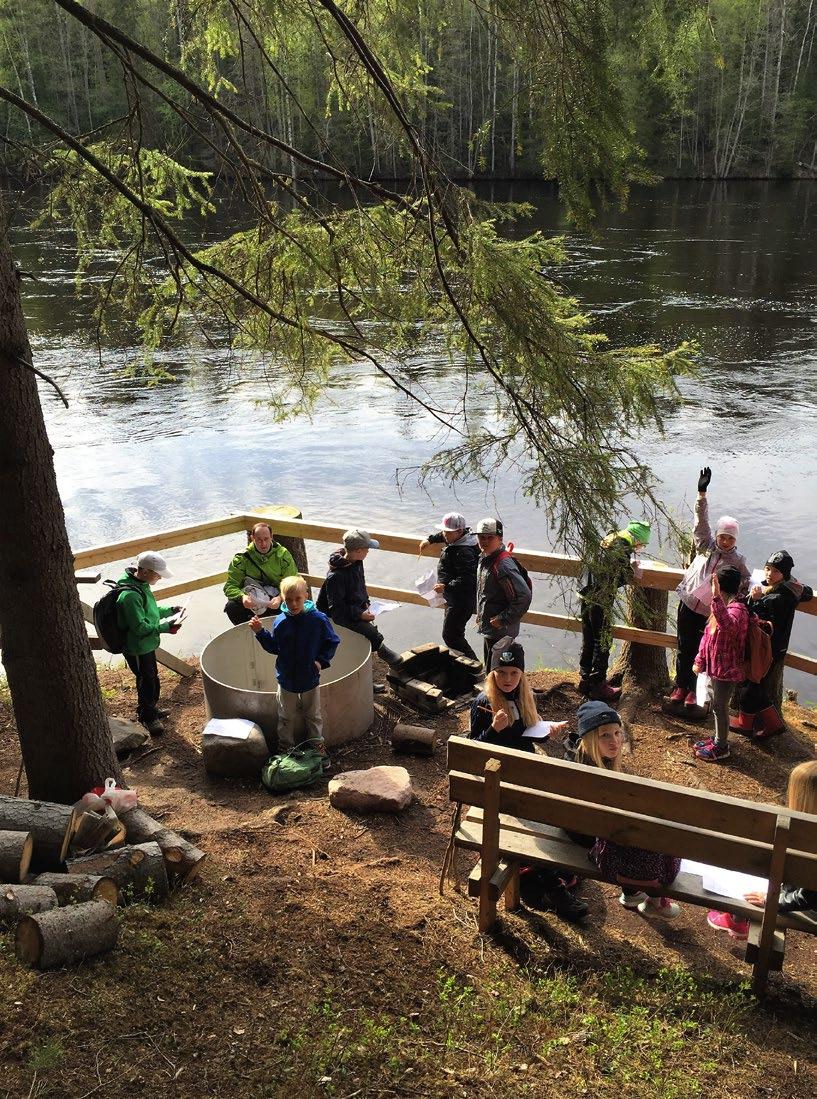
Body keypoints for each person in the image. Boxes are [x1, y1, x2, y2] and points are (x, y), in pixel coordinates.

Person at [469, 640, 585, 920]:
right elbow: (474, 751)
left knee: (549, 807)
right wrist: (494, 731)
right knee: (539, 816)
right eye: (502, 673)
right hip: (500, 781)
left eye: (514, 673)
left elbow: (525, 734)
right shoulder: (483, 704)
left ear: (522, 675)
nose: (508, 679)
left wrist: (546, 732)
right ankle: (553, 886)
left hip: (526, 773)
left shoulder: (525, 696)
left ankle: (551, 869)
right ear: (492, 674)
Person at [574, 700, 682, 918]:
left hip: (578, 828)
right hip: (590, 838)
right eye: (604, 735)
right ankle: (654, 899)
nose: (614, 741)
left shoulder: (578, 760)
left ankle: (634, 894)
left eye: (617, 733)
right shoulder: (594, 776)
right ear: (589, 738)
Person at [707, 760, 817, 940]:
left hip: (808, 909)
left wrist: (772, 900)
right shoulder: (805, 833)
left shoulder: (804, 836)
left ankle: (737, 920)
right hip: (796, 890)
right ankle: (738, 919)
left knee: (752, 886)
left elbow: (809, 898)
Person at [670, 467, 749, 708]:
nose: (725, 541)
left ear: (736, 540)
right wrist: (701, 493)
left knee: (700, 651)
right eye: (723, 536)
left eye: (730, 538)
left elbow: (744, 585)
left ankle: (695, 691)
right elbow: (700, 522)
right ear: (717, 535)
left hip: (710, 613)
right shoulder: (706, 545)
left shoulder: (738, 561)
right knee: (683, 646)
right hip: (688, 602)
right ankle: (680, 686)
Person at [250, 575, 340, 769]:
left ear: (306, 596)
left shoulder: (317, 619)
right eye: (289, 599)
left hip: (309, 677)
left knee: (313, 715)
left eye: (298, 598)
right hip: (287, 678)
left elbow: (332, 641)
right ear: (282, 598)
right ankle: (286, 748)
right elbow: (275, 647)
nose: (293, 603)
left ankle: (317, 748)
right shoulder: (281, 622)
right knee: (285, 716)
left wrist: (320, 661)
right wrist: (260, 633)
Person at [731, 551, 814, 739]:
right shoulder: (792, 588)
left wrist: (756, 600)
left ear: (783, 574)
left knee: (752, 684)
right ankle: (750, 722)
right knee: (752, 684)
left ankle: (769, 724)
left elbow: (758, 615)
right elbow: (807, 592)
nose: (769, 574)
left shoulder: (778, 598)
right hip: (772, 646)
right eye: (767, 569)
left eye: (775, 571)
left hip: (766, 648)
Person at [578, 520, 651, 703]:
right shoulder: (622, 547)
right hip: (600, 596)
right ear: (637, 539)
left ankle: (585, 678)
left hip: (585, 590)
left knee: (589, 636)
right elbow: (615, 578)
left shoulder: (610, 538)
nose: (641, 547)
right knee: (602, 639)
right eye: (643, 543)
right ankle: (598, 685)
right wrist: (632, 571)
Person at [316, 529, 401, 686]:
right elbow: (337, 610)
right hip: (334, 616)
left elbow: (360, 586)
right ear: (358, 550)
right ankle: (384, 652)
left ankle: (366, 683)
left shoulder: (357, 562)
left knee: (363, 646)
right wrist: (360, 615)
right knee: (370, 633)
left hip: (351, 609)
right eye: (367, 549)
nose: (368, 552)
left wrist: (366, 603)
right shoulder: (336, 576)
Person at [116, 551, 183, 736]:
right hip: (136, 646)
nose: (160, 576)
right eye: (157, 573)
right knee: (146, 681)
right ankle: (148, 717)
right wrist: (164, 627)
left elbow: (150, 611)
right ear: (144, 571)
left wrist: (170, 611)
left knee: (152, 677)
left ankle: (151, 709)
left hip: (146, 644)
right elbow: (139, 627)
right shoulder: (130, 596)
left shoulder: (142, 585)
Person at [691, 567, 749, 762]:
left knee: (720, 706)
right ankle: (717, 738)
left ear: (720, 588)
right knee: (717, 705)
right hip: (716, 669)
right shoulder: (720, 609)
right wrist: (700, 661)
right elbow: (707, 638)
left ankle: (722, 746)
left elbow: (729, 626)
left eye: (714, 588)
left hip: (728, 671)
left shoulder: (737, 610)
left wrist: (716, 598)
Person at [419, 512, 479, 660]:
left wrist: (446, 587)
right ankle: (464, 666)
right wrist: (430, 539)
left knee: (451, 636)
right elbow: (444, 536)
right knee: (452, 634)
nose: (444, 535)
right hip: (453, 598)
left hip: (461, 601)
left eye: (448, 532)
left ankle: (475, 666)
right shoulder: (458, 539)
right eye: (444, 530)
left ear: (459, 531)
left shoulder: (464, 551)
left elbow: (468, 579)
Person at [475, 517, 532, 669]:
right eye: (481, 537)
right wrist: (481, 615)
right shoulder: (486, 558)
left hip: (501, 631)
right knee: (491, 670)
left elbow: (524, 596)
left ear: (500, 538)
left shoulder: (503, 565)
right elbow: (486, 592)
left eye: (489, 537)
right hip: (492, 628)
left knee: (499, 672)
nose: (484, 541)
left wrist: (503, 619)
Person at [223, 522, 299, 625]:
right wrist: (242, 597)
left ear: (271, 537)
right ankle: (251, 634)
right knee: (231, 607)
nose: (263, 543)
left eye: (266, 539)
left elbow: (293, 583)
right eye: (259, 540)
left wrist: (280, 598)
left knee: (293, 604)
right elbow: (230, 586)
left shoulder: (283, 556)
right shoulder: (241, 558)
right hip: (253, 603)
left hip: (276, 601)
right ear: (252, 538)